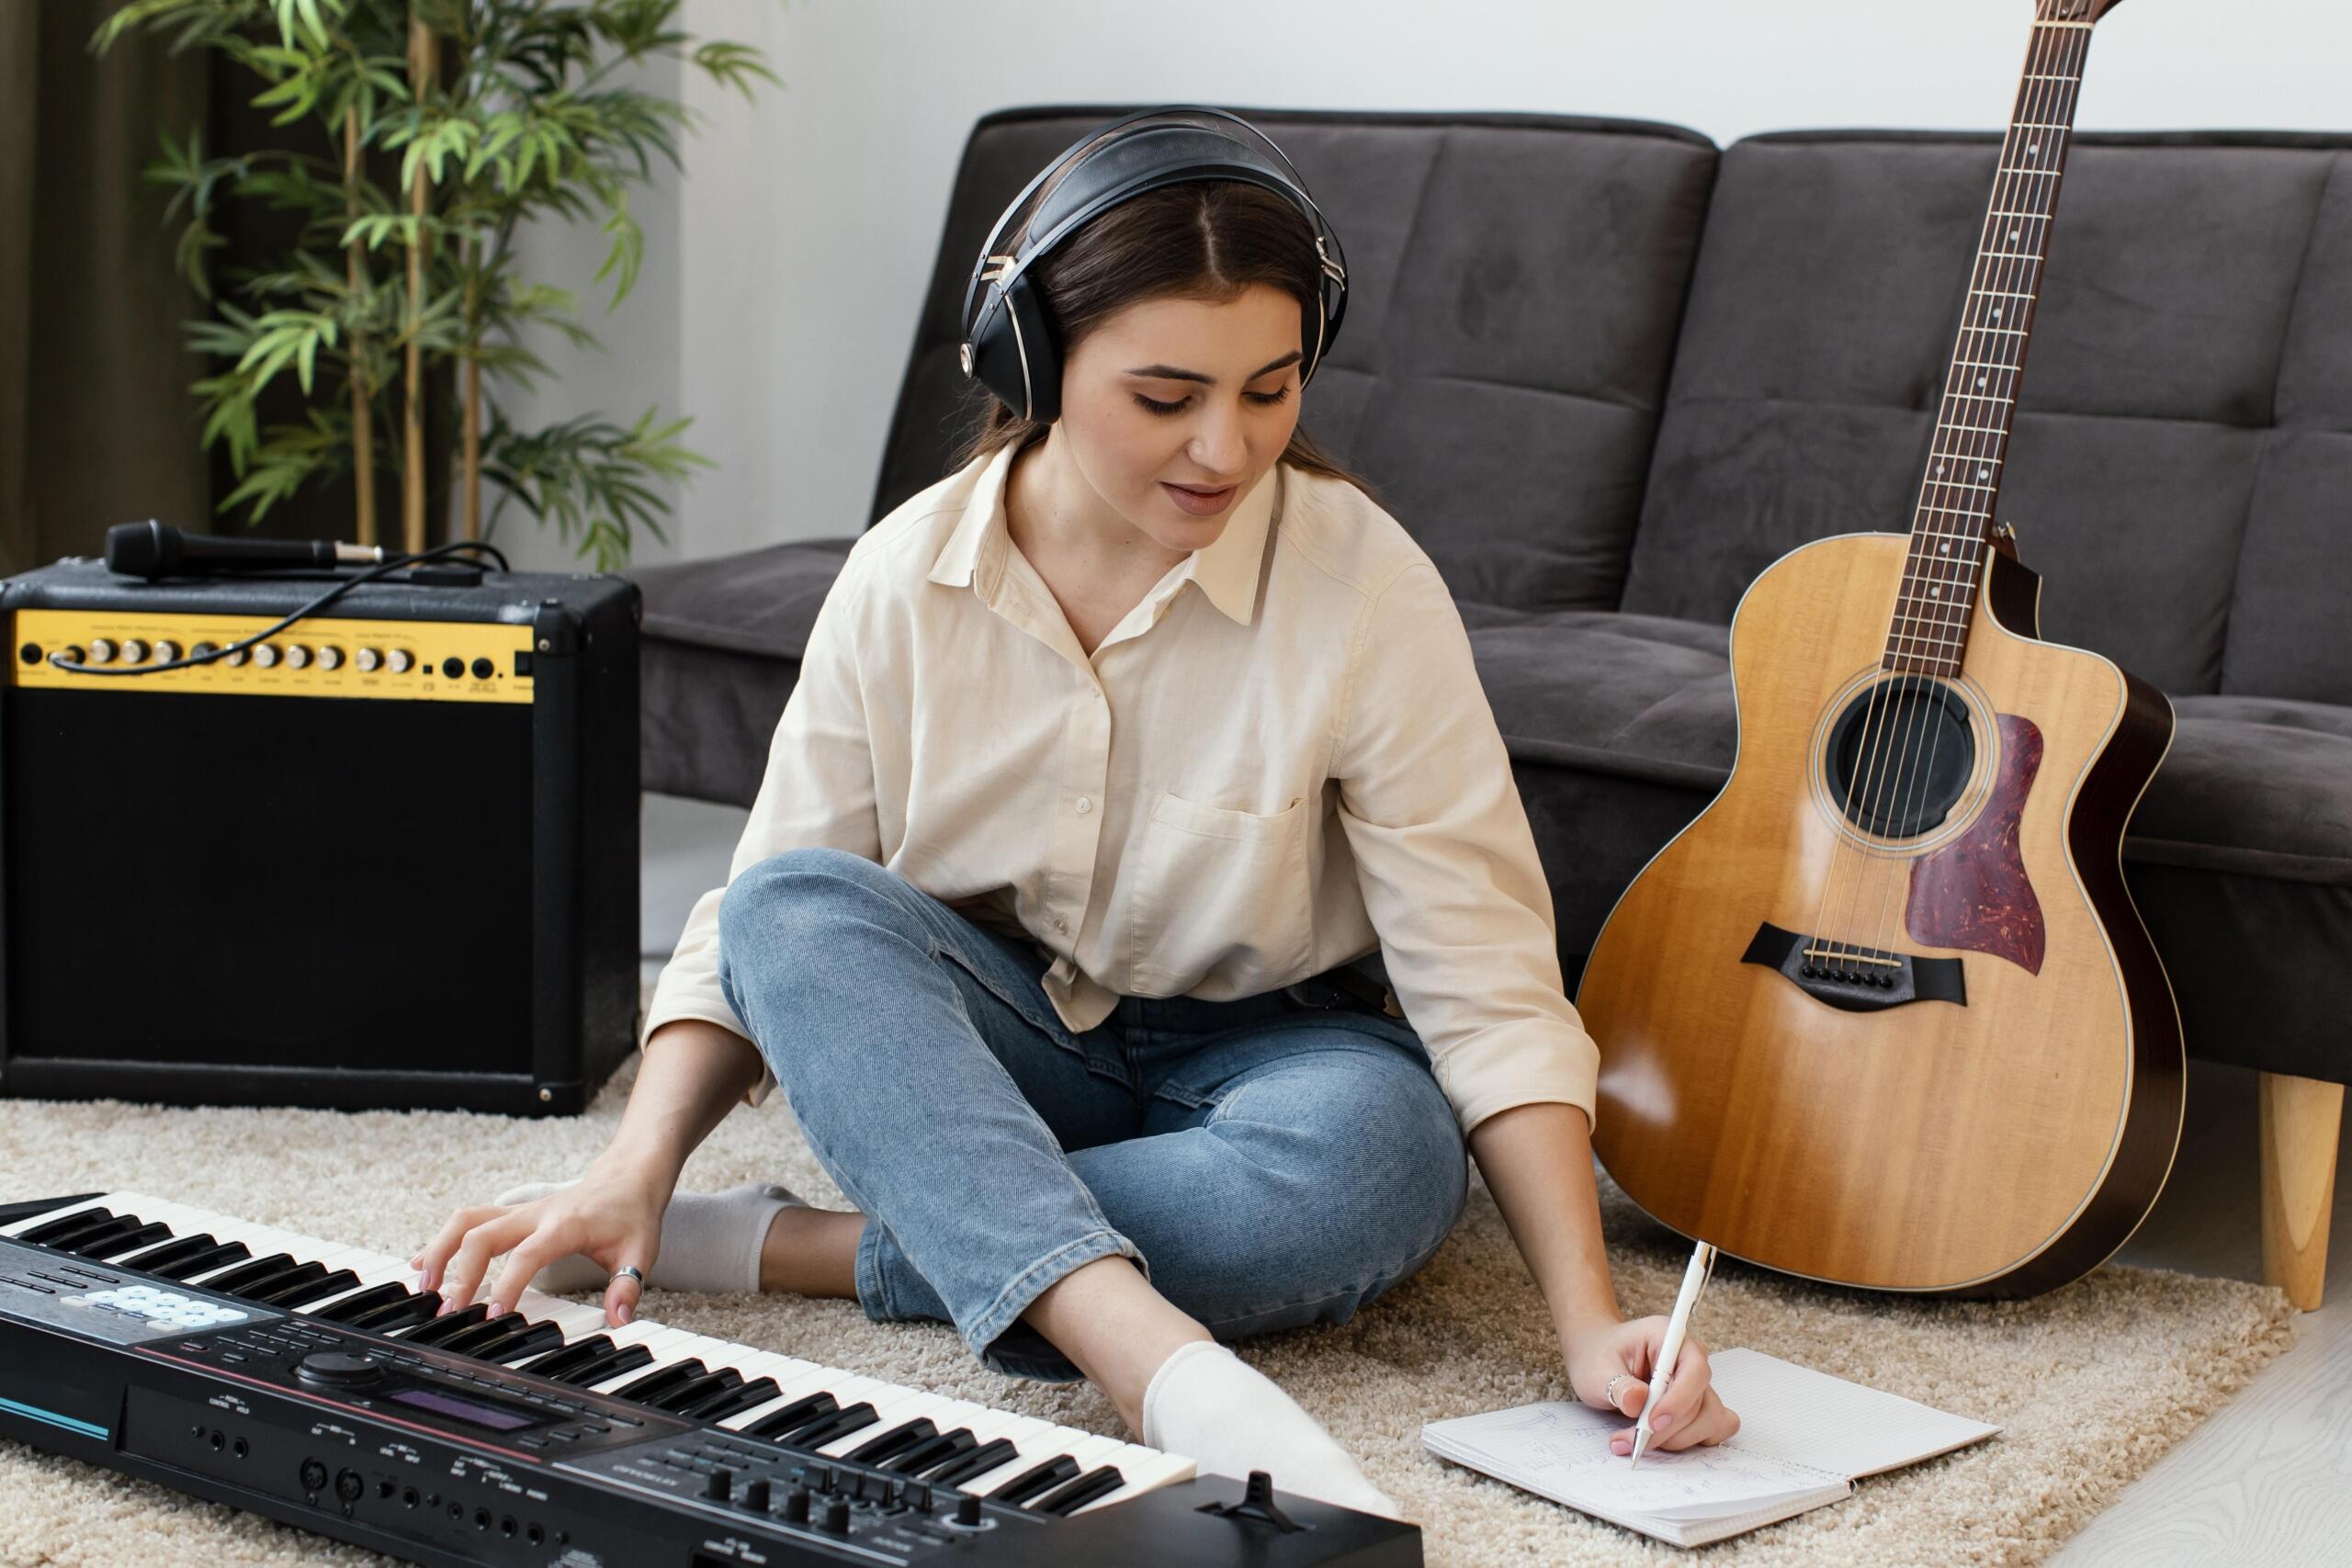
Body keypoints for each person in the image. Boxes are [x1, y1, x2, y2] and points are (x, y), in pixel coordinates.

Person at [414, 108, 1736, 1519]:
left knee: (1380, 1174)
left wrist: (1590, 1321)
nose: (1226, 449)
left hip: (1280, 1055)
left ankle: (801, 1242)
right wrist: (633, 1169)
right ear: (1032, 365)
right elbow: (758, 926)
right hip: (1008, 1026)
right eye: (1165, 399)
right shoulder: (903, 576)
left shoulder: (1367, 588)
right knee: (788, 906)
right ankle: (1146, 1350)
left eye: (1272, 391)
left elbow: (1484, 978)